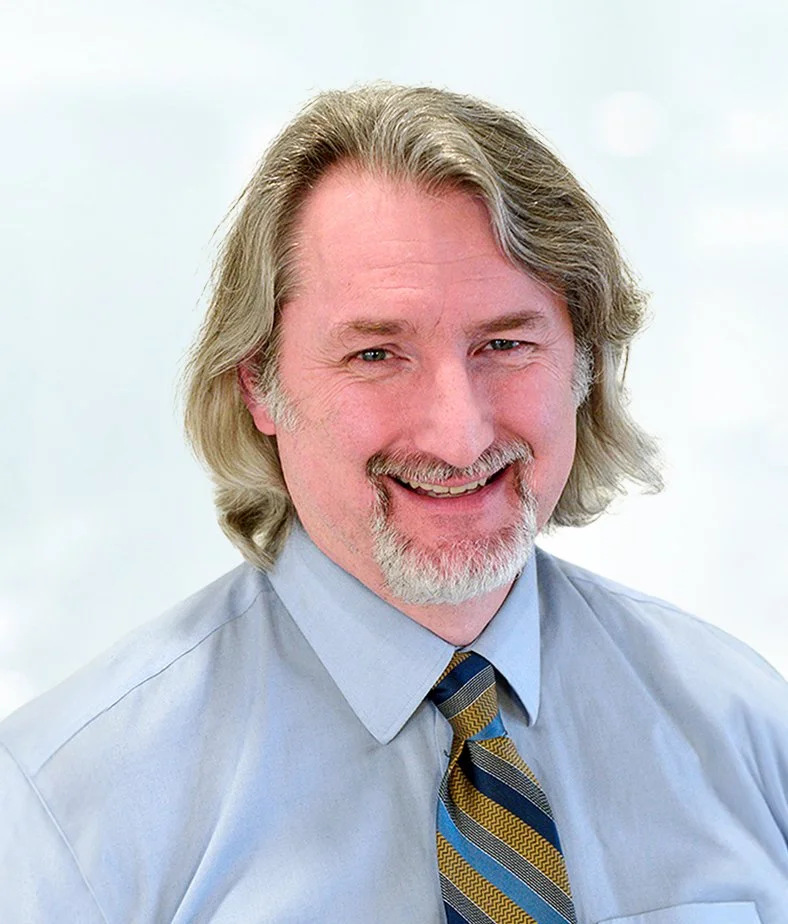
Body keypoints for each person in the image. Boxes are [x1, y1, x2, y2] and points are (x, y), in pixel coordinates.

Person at [1, 84, 786, 924]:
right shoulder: (63, 805)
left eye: (505, 345)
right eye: (377, 353)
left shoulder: (743, 724)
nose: (458, 434)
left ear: (585, 365)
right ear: (259, 385)